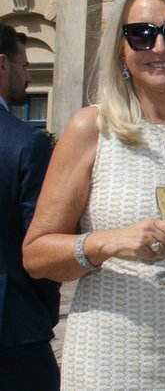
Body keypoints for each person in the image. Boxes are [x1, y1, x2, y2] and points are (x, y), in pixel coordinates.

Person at [21, 0, 165, 390]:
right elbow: (36, 255)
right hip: (110, 357)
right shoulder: (92, 128)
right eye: (141, 34)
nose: (160, 47)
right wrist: (108, 242)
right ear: (121, 50)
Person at [0, 25, 60, 390]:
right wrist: (43, 314)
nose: (29, 76)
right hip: (14, 332)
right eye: (24, 65)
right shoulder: (26, 143)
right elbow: (42, 245)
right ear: (2, 65)